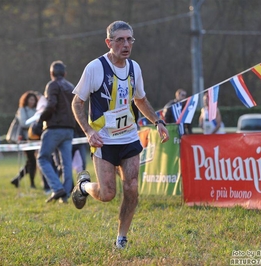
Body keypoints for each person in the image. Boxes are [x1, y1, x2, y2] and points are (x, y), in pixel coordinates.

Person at [71, 21, 169, 249]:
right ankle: (83, 186)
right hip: (103, 140)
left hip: (128, 137)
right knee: (107, 194)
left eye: (130, 39)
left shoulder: (135, 68)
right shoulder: (95, 68)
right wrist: (88, 131)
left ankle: (121, 238)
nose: (126, 44)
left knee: (132, 186)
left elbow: (140, 99)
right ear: (109, 42)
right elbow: (77, 102)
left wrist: (158, 121)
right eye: (120, 40)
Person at [37, 60, 75, 203]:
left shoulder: (52, 85)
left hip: (54, 128)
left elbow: (52, 104)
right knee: (67, 164)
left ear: (51, 73)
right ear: (65, 73)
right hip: (69, 129)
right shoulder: (71, 86)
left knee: (42, 158)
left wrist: (41, 119)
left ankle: (57, 188)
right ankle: (64, 196)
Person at [10, 91, 38, 189]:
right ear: (26, 100)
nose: (32, 101)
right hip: (25, 139)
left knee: (30, 162)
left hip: (34, 139)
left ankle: (17, 179)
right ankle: (32, 183)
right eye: (31, 99)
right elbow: (23, 123)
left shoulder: (36, 109)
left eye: (34, 99)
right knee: (32, 161)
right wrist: (35, 124)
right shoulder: (22, 110)